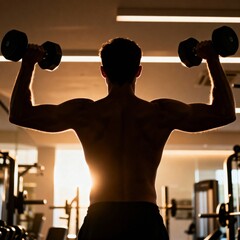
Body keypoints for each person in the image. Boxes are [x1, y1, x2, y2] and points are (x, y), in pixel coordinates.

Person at [9, 38, 236, 240]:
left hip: (101, 219)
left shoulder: (84, 113)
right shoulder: (160, 113)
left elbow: (21, 113)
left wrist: (28, 62)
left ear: (103, 71)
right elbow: (224, 112)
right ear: (138, 71)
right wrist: (212, 59)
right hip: (145, 219)